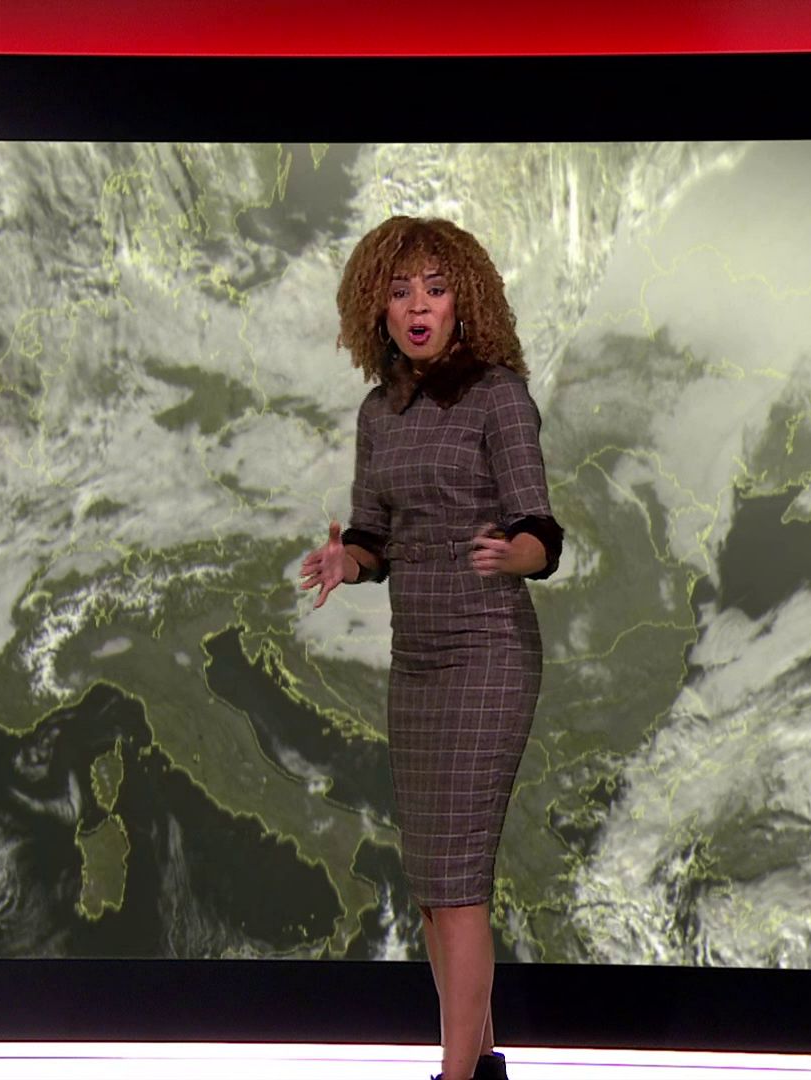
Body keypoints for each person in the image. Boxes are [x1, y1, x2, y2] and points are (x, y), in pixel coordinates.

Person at [301, 216, 562, 1080]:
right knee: (430, 887)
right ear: (375, 308)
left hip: (487, 653)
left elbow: (540, 531)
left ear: (464, 302)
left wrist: (514, 555)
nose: (418, 306)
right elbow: (374, 536)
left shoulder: (498, 397)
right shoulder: (379, 413)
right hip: (416, 662)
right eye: (401, 290)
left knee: (457, 884)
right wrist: (347, 561)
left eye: (436, 289)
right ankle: (478, 1063)